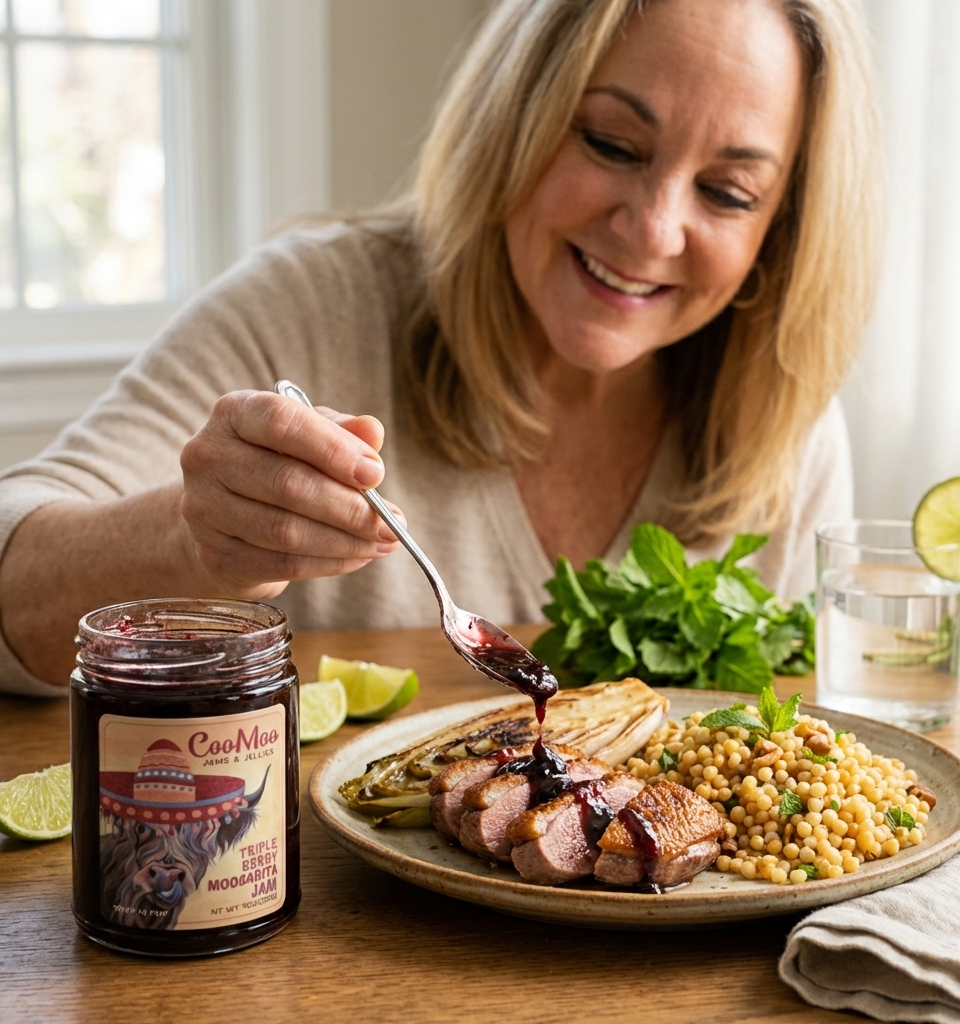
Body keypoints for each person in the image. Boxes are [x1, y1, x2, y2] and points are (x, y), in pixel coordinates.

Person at [0, 0, 880, 696]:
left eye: (728, 192)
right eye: (612, 143)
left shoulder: (786, 420)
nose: (652, 230)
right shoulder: (311, 307)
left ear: (783, 231)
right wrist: (197, 542)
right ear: (515, 119)